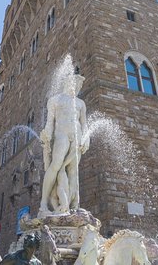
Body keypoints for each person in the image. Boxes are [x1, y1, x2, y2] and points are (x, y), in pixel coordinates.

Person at [39, 73, 88, 215]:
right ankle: (44, 203)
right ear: (67, 83)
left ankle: (73, 205)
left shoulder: (80, 103)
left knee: (74, 171)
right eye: (75, 84)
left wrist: (86, 138)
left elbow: (84, 124)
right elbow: (50, 123)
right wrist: (46, 133)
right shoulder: (55, 100)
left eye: (79, 85)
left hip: (77, 136)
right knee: (56, 164)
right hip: (61, 134)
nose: (77, 87)